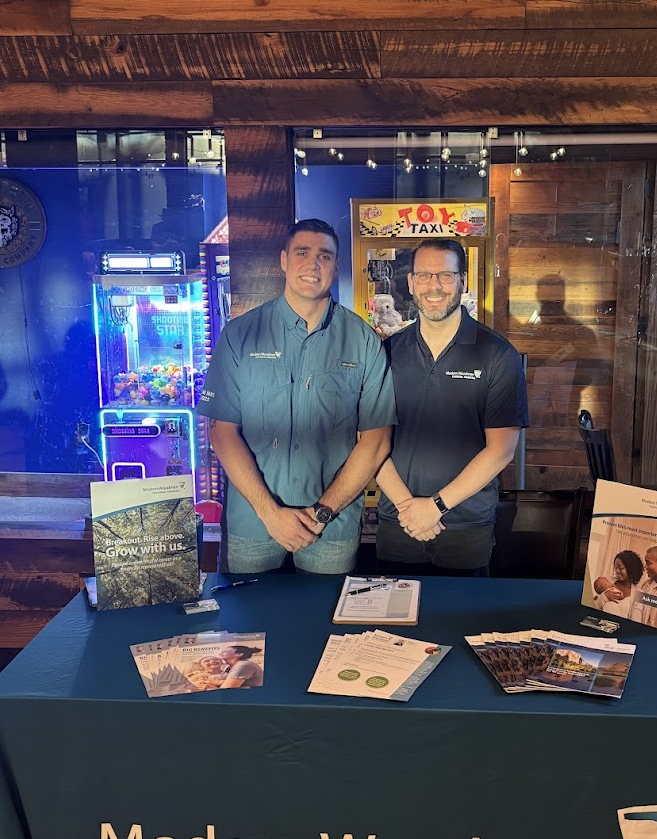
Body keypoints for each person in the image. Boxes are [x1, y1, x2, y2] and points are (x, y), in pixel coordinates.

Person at [197, 219, 396, 575]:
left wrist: (322, 513)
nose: (313, 264)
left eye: (325, 256)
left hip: (331, 527)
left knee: (326, 612)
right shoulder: (240, 335)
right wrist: (269, 513)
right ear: (284, 260)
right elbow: (222, 432)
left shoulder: (363, 340)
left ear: (336, 266)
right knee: (247, 611)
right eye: (302, 253)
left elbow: (377, 440)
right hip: (253, 523)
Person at [375, 238, 529, 576]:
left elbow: (502, 449)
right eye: (424, 275)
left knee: (463, 610)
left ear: (463, 280)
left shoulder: (496, 354)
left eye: (445, 275)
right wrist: (407, 508)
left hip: (466, 525)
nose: (434, 286)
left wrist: (435, 506)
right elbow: (370, 442)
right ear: (411, 282)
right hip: (398, 521)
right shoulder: (385, 353)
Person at [592, 549, 644, 619]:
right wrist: (604, 597)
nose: (617, 571)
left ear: (631, 569)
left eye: (620, 568)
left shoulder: (638, 594)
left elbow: (636, 620)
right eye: (616, 568)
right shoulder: (605, 582)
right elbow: (592, 605)